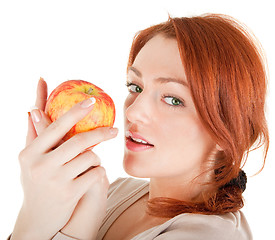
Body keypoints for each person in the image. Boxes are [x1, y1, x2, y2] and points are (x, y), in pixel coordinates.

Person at [9, 13, 269, 240]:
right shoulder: (116, 191)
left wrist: (35, 225)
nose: (132, 111)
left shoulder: (209, 236)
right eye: (136, 87)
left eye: (173, 99)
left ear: (227, 130)